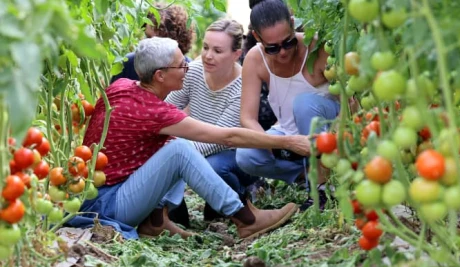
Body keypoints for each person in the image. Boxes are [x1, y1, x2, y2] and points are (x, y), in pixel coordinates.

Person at [68, 37, 310, 241]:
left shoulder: (122, 86)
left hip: (97, 195)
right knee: (179, 149)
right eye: (181, 65)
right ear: (160, 75)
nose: (188, 67)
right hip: (107, 206)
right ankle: (245, 218)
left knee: (170, 142)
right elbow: (228, 137)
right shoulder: (154, 112)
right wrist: (287, 142)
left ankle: (155, 222)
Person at [235, 0, 341, 211]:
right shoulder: (255, 59)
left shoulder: (317, 48)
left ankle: (322, 187)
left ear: (293, 24)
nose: (282, 52)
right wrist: (279, 143)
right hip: (291, 136)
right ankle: (308, 173)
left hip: (330, 132)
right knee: (246, 156)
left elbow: (350, 100)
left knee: (304, 104)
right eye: (272, 48)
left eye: (288, 42)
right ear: (257, 37)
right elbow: (247, 118)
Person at [165, 19, 261, 221]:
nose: (208, 56)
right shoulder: (194, 72)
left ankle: (240, 195)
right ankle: (173, 212)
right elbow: (166, 112)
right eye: (206, 47)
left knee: (213, 166)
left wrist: (175, 156)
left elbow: (220, 140)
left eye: (217, 51)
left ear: (237, 54)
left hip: (233, 152)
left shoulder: (244, 84)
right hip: (201, 145)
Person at [109, 3, 194, 228]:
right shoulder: (129, 63)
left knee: (175, 144)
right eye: (145, 37)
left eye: (150, 37)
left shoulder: (188, 70)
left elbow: (189, 115)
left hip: (165, 144)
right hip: (133, 155)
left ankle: (161, 217)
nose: (144, 45)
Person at [110, 3, 194, 84]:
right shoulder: (129, 64)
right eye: (147, 37)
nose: (148, 45)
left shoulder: (191, 72)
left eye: (155, 41)